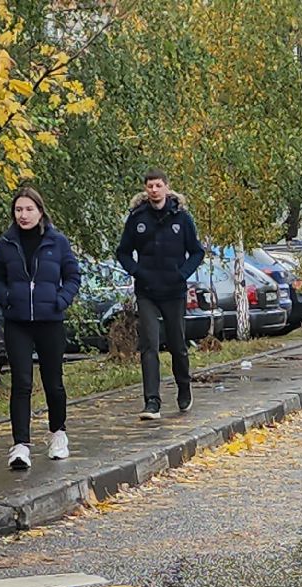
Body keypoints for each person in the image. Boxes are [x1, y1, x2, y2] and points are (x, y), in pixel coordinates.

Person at [0, 185, 83, 471]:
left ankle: (58, 434)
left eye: (29, 209)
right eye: (18, 209)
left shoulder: (57, 242)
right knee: (22, 383)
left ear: (40, 211)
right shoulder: (6, 243)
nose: (23, 215)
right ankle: (20, 446)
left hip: (50, 320)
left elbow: (73, 275)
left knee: (53, 382)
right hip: (18, 322)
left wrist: (61, 300)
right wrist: (7, 299)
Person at [115, 171, 206, 421]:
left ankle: (184, 386)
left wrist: (182, 274)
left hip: (174, 291)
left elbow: (197, 252)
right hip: (147, 291)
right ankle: (152, 401)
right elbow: (122, 252)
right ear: (145, 190)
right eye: (150, 186)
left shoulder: (182, 218)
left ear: (167, 187)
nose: (154, 190)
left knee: (177, 344)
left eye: (158, 185)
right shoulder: (137, 219)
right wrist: (137, 272)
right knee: (149, 345)